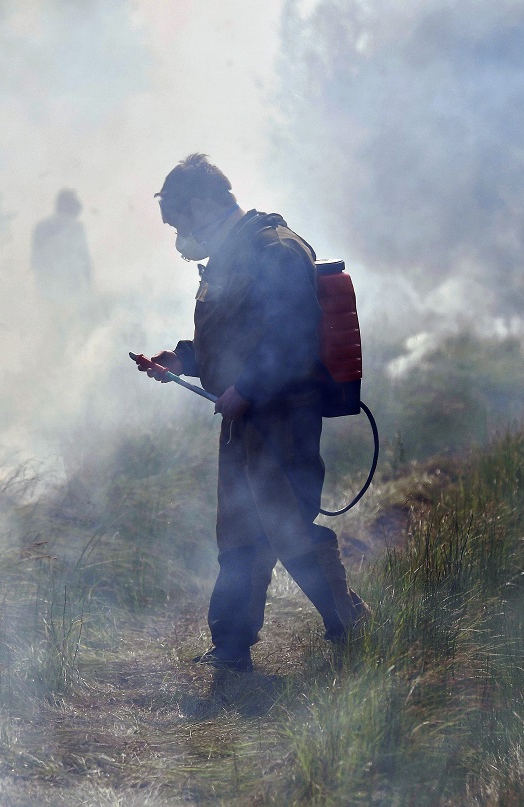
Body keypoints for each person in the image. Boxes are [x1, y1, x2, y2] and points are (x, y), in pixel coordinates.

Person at [137, 154, 368, 673]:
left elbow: (292, 337)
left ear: (200, 206)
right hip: (245, 418)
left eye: (178, 223)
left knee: (287, 528)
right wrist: (182, 360)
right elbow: (233, 337)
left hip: (283, 417)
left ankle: (350, 625)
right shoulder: (232, 256)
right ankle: (232, 647)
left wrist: (248, 387)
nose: (179, 239)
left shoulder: (275, 251)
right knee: (240, 531)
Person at [30, 188, 94, 302]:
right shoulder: (76, 228)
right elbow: (85, 260)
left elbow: (34, 260)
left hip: (45, 286)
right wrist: (90, 288)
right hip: (70, 287)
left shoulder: (41, 226)